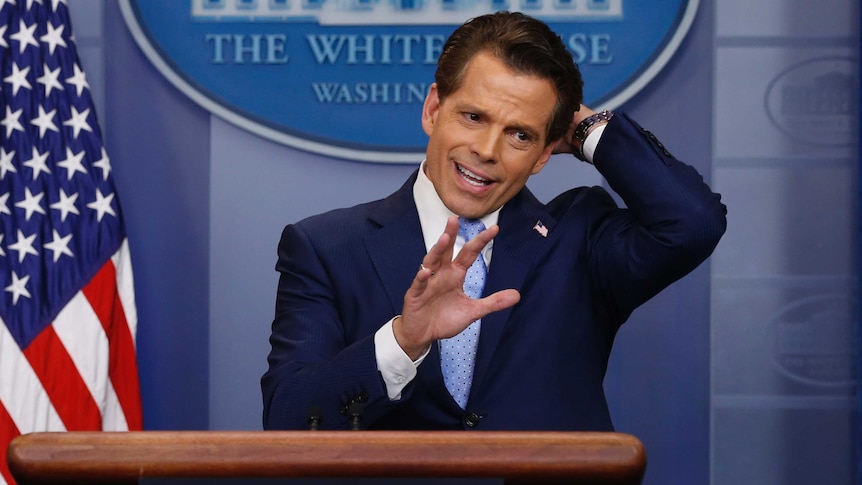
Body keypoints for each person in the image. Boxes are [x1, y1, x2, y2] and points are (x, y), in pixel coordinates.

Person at [261, 11, 726, 431]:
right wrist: (403, 341)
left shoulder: (579, 237)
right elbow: (290, 418)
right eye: (473, 116)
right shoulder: (326, 245)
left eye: (520, 134)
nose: (487, 149)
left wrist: (585, 127)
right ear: (433, 109)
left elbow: (692, 223)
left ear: (546, 154)